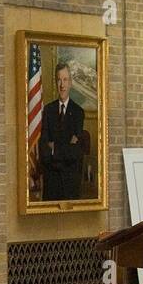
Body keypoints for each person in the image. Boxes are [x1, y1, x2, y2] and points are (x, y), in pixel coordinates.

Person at [41, 63, 86, 200]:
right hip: (51, 183)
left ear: (71, 83)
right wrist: (65, 146)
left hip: (70, 184)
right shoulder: (48, 110)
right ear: (56, 82)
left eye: (65, 80)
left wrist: (54, 148)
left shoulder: (78, 112)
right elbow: (44, 149)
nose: (62, 85)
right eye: (59, 80)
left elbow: (74, 153)